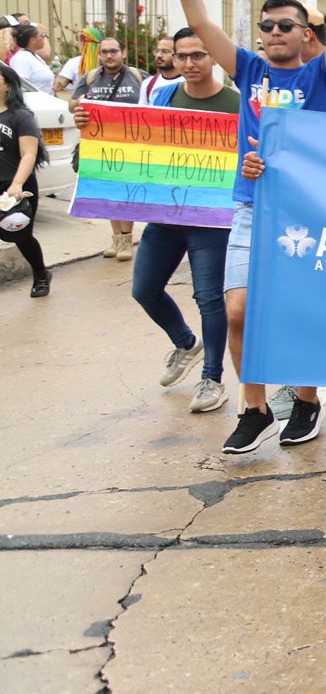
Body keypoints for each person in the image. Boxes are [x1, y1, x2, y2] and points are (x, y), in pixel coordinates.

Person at [158, 0, 326, 456]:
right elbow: (200, 22)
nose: (274, 32)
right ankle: (255, 408)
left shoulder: (322, 74)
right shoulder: (248, 68)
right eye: (267, 25)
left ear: (304, 34)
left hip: (308, 211)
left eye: (285, 26)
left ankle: (308, 400)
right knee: (238, 309)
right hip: (252, 205)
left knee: (302, 309)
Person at [120, 28, 239, 413]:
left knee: (209, 298)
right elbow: (136, 138)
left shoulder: (234, 104)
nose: (189, 64)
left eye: (198, 55)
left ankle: (212, 379)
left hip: (212, 220)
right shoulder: (163, 96)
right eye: (182, 56)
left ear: (214, 58)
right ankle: (186, 343)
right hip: (165, 214)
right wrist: (88, 120)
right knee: (144, 289)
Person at [71, 37, 145, 261]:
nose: (109, 56)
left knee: (127, 192)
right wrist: (80, 104)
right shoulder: (91, 77)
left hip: (131, 144)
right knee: (109, 193)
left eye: (113, 51)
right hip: (100, 146)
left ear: (123, 52)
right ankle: (116, 238)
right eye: (105, 52)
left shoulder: (139, 76)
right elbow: (73, 103)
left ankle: (127, 239)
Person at [0, 61, 51, 297]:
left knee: (21, 235)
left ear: (8, 85)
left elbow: (29, 153)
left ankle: (41, 273)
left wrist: (17, 184)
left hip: (16, 185)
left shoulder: (21, 116)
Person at [8, 24, 55, 94]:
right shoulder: (22, 58)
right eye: (42, 36)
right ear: (32, 40)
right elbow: (22, 86)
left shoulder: (34, 56)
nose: (44, 38)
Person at [136, 36, 180, 106]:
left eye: (165, 51)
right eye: (157, 51)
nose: (159, 55)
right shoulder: (148, 84)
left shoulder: (189, 82)